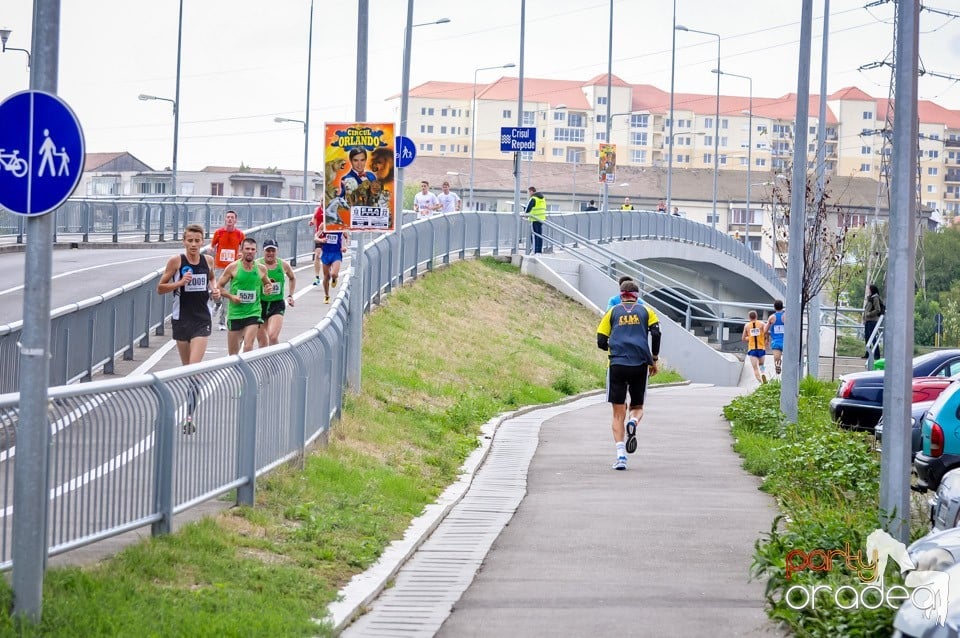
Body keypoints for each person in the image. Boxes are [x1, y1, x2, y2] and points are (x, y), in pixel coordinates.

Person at [157, 223, 221, 434]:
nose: (193, 245)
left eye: (197, 241)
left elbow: (212, 277)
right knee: (187, 372)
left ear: (202, 241)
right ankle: (190, 404)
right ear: (184, 241)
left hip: (202, 319)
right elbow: (160, 288)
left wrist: (214, 290)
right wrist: (180, 283)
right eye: (190, 241)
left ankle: (189, 416)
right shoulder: (176, 261)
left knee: (194, 370)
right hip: (181, 319)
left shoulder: (208, 260)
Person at [597, 280, 661, 471]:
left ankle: (621, 456)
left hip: (617, 363)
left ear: (621, 294)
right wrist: (654, 358)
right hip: (640, 364)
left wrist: (616, 345)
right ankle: (633, 422)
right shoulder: (646, 311)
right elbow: (656, 334)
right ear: (637, 295)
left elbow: (601, 340)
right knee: (637, 406)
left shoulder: (612, 311)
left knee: (617, 413)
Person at [218, 238, 273, 356]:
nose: (250, 251)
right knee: (233, 354)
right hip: (235, 313)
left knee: (248, 346)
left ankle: (246, 372)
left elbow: (268, 284)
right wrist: (231, 297)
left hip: (253, 312)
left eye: (253, 249)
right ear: (241, 250)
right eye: (247, 249)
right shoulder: (232, 267)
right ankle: (237, 373)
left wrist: (268, 288)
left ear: (256, 251)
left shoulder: (261, 269)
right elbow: (219, 287)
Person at [256, 239, 297, 348]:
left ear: (277, 251)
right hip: (260, 304)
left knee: (272, 336)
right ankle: (264, 364)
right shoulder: (257, 265)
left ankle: (276, 362)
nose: (270, 253)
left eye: (273, 250)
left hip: (276, 304)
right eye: (268, 250)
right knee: (262, 342)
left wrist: (290, 295)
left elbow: (292, 278)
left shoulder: (283, 265)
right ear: (263, 251)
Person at [210, 210, 245, 331]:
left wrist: (241, 254)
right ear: (225, 220)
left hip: (233, 267)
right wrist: (211, 251)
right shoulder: (219, 232)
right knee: (216, 290)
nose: (230, 219)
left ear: (235, 220)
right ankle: (217, 303)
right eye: (228, 217)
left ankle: (221, 321)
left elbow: (243, 248)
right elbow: (212, 246)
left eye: (232, 218)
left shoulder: (240, 234)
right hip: (219, 266)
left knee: (227, 294)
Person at [316, 224, 349, 304]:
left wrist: (345, 247)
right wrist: (321, 240)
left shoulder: (341, 225)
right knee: (326, 277)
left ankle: (334, 278)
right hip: (326, 253)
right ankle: (327, 296)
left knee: (334, 274)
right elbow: (316, 237)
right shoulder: (324, 224)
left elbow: (347, 237)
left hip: (336, 253)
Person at [742, 310, 768, 384]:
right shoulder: (762, 324)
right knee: (761, 365)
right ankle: (763, 373)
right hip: (761, 348)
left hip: (752, 349)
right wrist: (766, 340)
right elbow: (766, 332)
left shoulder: (747, 326)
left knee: (755, 368)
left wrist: (750, 337)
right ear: (756, 316)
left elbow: (743, 338)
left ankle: (760, 382)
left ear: (749, 317)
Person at [863, 284, 884, 359]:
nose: (868, 291)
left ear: (872, 290)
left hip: (872, 320)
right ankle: (867, 353)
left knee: (873, 338)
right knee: (867, 338)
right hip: (868, 320)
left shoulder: (875, 298)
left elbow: (877, 309)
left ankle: (877, 354)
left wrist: (869, 314)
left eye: (869, 289)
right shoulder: (871, 298)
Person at [525, 186, 547, 254]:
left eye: (529, 192)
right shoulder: (542, 198)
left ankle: (534, 251)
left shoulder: (533, 198)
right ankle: (539, 251)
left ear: (531, 191)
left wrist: (525, 210)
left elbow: (527, 210)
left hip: (534, 218)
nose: (529, 194)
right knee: (539, 235)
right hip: (541, 218)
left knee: (534, 235)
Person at [766, 300, 785, 375]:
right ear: (782, 306)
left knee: (777, 357)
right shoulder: (786, 316)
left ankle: (777, 364)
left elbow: (765, 330)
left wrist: (768, 336)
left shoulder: (772, 317)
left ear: (774, 307)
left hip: (776, 341)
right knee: (788, 358)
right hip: (786, 341)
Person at [308, 203, 325, 286]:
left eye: (324, 200)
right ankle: (317, 277)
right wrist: (312, 222)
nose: (322, 202)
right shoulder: (317, 209)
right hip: (319, 235)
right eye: (321, 200)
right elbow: (314, 218)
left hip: (328, 235)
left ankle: (330, 275)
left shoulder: (330, 209)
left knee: (328, 256)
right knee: (317, 255)